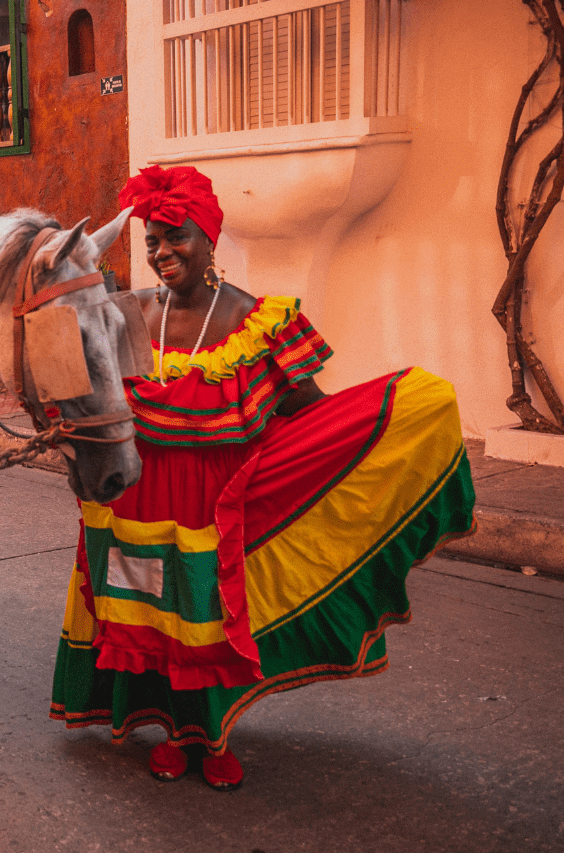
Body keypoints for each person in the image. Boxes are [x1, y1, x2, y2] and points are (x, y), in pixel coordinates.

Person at [48, 165, 476, 791]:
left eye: (178, 238)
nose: (164, 253)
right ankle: (172, 732)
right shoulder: (129, 315)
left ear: (209, 240)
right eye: (153, 242)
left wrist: (359, 444)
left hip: (216, 510)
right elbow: (88, 395)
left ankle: (213, 736)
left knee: (209, 621)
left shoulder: (258, 322)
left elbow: (312, 411)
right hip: (139, 500)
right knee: (149, 616)